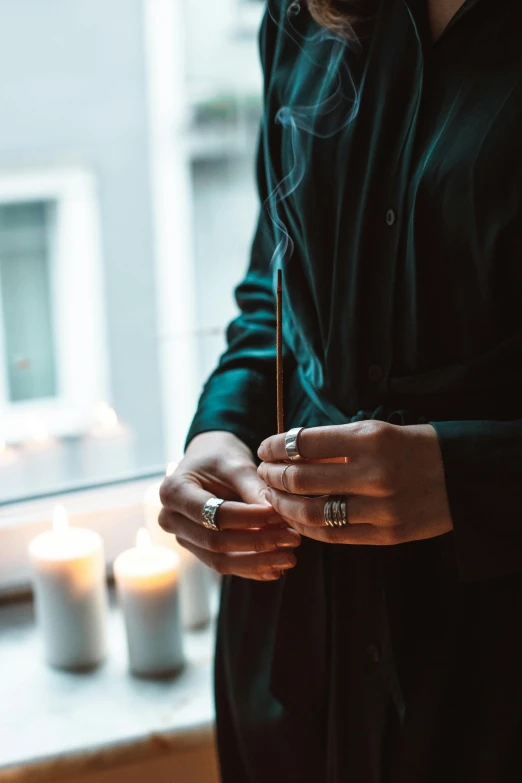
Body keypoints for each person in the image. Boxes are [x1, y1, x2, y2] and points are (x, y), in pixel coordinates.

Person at [159, 0, 522, 780]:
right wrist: (220, 427)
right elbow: (278, 287)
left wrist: (475, 477)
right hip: (299, 651)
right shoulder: (304, 12)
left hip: (490, 676)